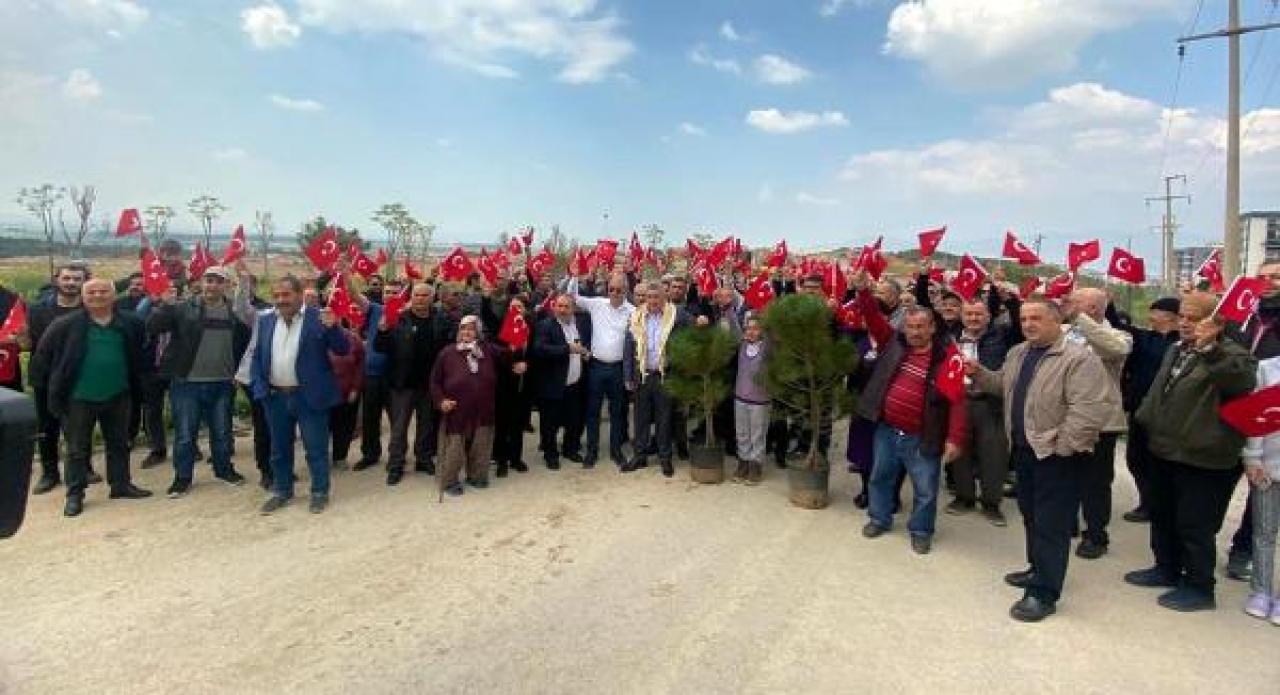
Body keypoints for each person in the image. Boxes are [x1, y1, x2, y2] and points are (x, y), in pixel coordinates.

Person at [968, 297, 1111, 622]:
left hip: (1057, 456)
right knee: (1031, 516)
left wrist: (1062, 448)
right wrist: (979, 374)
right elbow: (1003, 385)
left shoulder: (1079, 359)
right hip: (1024, 450)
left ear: (1057, 321)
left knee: (1051, 525)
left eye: (1036, 318)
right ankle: (1037, 569)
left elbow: (1088, 411)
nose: (1028, 324)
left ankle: (1044, 593)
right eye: (1024, 319)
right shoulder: (1018, 353)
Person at [1126, 291, 1256, 612]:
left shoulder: (1232, 355)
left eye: (1194, 318)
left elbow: (1238, 381)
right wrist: (1146, 417)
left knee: (1194, 524)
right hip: (1164, 448)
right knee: (1162, 513)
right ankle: (1166, 568)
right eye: (1182, 316)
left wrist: (1210, 349)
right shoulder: (1177, 348)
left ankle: (1199, 586)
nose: (1185, 323)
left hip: (1203, 456)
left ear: (1217, 322)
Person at [855, 286, 967, 555]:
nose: (914, 332)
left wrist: (955, 438)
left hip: (922, 435)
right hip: (887, 430)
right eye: (910, 326)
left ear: (932, 328)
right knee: (879, 478)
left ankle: (920, 531)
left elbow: (957, 401)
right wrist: (862, 291)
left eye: (920, 327)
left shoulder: (946, 358)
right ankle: (879, 519)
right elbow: (873, 318)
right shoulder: (894, 343)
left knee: (925, 489)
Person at [33, 279, 152, 516]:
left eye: (104, 291)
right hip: (78, 398)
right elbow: (42, 358)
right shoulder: (64, 325)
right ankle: (75, 494)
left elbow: (140, 352)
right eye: (92, 292)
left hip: (118, 394)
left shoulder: (130, 323)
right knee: (76, 449)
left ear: (114, 295)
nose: (98, 295)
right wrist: (50, 391)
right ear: (83, 296)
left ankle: (120, 484)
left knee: (119, 444)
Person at [147, 265, 253, 497]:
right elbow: (152, 326)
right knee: (185, 435)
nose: (212, 285)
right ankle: (182, 478)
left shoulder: (234, 312)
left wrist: (239, 374)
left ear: (226, 285)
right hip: (187, 383)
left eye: (218, 281)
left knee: (222, 432)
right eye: (209, 280)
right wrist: (164, 305)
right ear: (201, 283)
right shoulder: (182, 308)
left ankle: (224, 470)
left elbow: (247, 339)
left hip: (223, 383)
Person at [250, 276, 349, 514]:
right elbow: (258, 355)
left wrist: (333, 327)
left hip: (309, 397)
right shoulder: (266, 320)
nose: (280, 300)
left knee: (315, 449)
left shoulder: (318, 317)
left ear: (299, 294)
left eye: (286, 295)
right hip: (275, 397)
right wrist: (260, 388)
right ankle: (282, 491)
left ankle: (319, 492)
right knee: (279, 450)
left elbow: (342, 349)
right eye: (276, 295)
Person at [1061, 287, 1132, 559]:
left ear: (1092, 308)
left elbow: (1115, 349)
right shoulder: (1065, 332)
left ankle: (1096, 535)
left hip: (1101, 423)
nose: (1068, 305)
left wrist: (1080, 319)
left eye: (1075, 302)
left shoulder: (1119, 336)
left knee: (1095, 482)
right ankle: (1067, 521)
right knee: (1065, 475)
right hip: (1066, 417)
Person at [947, 291, 1021, 526]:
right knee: (960, 452)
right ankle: (964, 497)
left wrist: (1010, 300)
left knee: (994, 456)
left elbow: (1019, 324)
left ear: (989, 317)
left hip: (991, 403)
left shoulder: (1003, 335)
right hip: (959, 402)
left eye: (978, 314)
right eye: (969, 314)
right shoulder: (951, 337)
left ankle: (991, 503)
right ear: (962, 316)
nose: (973, 318)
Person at [1110, 297, 1181, 523]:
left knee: (1159, 462)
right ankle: (1147, 503)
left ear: (1169, 316)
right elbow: (1116, 326)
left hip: (1169, 412)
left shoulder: (1182, 342)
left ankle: (1162, 505)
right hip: (1140, 409)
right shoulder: (1143, 338)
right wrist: (1108, 305)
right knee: (1136, 459)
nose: (1151, 315)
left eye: (1155, 311)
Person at [375, 282, 451, 485]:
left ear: (432, 298)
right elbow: (380, 347)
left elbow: (448, 347)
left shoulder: (440, 319)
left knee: (426, 425)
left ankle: (423, 459)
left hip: (429, 384)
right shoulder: (398, 318)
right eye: (417, 295)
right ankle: (396, 464)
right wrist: (382, 331)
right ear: (411, 297)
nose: (420, 299)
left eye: (425, 295)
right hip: (402, 383)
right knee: (399, 428)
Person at [27, 264, 92, 494]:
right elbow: (32, 343)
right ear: (57, 280)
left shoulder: (90, 309)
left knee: (81, 425)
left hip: (79, 376)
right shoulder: (37, 309)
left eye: (76, 279)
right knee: (47, 426)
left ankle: (84, 468)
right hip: (45, 376)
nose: (71, 283)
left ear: (84, 282)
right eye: (67, 278)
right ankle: (49, 472)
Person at [623, 281, 693, 477]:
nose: (652, 301)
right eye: (649, 297)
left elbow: (693, 326)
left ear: (664, 298)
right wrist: (627, 376)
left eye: (656, 297)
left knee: (664, 418)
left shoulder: (676, 315)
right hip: (642, 376)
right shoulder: (636, 316)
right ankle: (640, 456)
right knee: (641, 418)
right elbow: (628, 347)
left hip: (665, 376)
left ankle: (665, 458)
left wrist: (702, 320)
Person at [566, 272, 633, 467]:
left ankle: (616, 451)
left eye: (619, 290)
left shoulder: (633, 311)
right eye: (611, 289)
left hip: (618, 369)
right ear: (607, 289)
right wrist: (574, 277)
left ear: (625, 290)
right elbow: (572, 297)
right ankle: (592, 452)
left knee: (617, 412)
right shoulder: (597, 304)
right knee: (592, 412)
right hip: (596, 367)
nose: (614, 293)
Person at [431, 315, 502, 495]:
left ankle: (477, 476)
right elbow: (435, 381)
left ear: (478, 332)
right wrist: (441, 401)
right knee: (453, 448)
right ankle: (449, 481)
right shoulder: (447, 352)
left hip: (483, 408)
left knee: (481, 444)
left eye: (471, 328)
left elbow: (509, 356)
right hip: (456, 409)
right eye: (463, 328)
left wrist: (518, 349)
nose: (466, 332)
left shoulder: (488, 350)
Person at [531, 294, 592, 469]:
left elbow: (582, 346)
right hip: (553, 384)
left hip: (574, 384)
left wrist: (585, 354)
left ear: (573, 309)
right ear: (554, 307)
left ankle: (569, 449)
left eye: (566, 306)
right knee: (549, 423)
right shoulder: (545, 325)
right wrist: (567, 349)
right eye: (559, 306)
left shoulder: (579, 325)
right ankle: (550, 455)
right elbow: (540, 349)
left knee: (574, 421)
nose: (562, 310)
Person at [1241, 353, 1280, 624]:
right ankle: (1261, 591)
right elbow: (1256, 417)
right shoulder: (1268, 369)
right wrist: (1252, 457)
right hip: (1268, 465)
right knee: (1264, 531)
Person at [354, 280, 398, 471]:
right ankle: (370, 454)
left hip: (394, 378)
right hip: (371, 375)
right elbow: (354, 295)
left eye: (395, 292)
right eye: (387, 291)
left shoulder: (405, 314)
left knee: (397, 420)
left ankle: (396, 456)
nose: (390, 295)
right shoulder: (374, 309)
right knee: (370, 418)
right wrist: (345, 274)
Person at [490, 297, 533, 477]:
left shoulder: (530, 328)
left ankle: (516, 458)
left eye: (519, 307)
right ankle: (501, 460)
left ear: (525, 309)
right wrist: (511, 364)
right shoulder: (501, 328)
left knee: (518, 423)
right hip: (504, 384)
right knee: (502, 423)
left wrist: (527, 364)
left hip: (523, 385)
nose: (516, 310)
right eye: (512, 307)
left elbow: (535, 353)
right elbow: (494, 355)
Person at [732, 314, 769, 485]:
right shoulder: (742, 346)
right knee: (742, 433)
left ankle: (756, 465)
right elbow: (733, 326)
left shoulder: (767, 348)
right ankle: (743, 462)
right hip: (740, 397)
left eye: (755, 328)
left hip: (760, 400)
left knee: (757, 434)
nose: (751, 332)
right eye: (748, 328)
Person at [328, 320, 365, 469]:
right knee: (323, 426)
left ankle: (340, 456)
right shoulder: (318, 337)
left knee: (345, 426)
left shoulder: (354, 339)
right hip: (324, 393)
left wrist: (355, 388)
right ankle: (320, 457)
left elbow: (360, 366)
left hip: (348, 392)